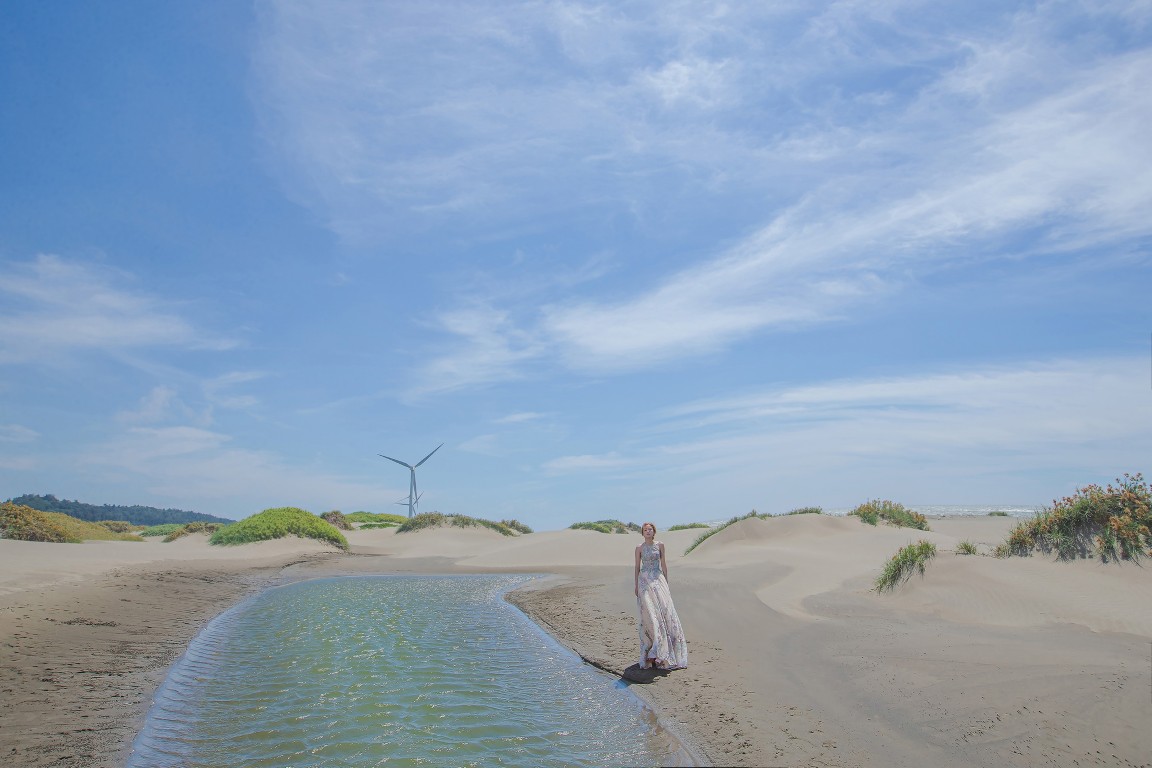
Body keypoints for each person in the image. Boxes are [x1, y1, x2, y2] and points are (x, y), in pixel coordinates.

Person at [634, 522, 688, 670]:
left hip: (658, 580)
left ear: (654, 531)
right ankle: (652, 650)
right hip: (645, 581)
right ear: (642, 532)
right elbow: (637, 567)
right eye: (645, 530)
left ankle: (662, 652)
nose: (648, 531)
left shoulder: (660, 545)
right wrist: (636, 585)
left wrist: (666, 582)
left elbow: (663, 564)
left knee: (665, 613)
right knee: (650, 615)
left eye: (650, 529)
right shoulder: (639, 548)